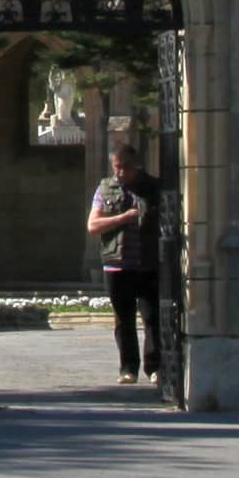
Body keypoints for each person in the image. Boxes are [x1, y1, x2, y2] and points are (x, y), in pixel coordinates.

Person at [88, 137, 160, 382]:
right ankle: (128, 368)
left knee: (153, 318)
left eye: (125, 167)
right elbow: (93, 225)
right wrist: (124, 218)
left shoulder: (153, 188)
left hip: (148, 262)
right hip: (117, 264)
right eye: (116, 167)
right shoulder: (105, 188)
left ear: (136, 165)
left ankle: (155, 367)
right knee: (124, 320)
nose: (120, 172)